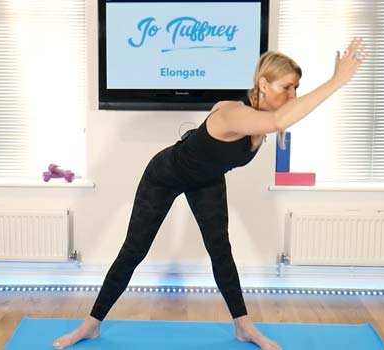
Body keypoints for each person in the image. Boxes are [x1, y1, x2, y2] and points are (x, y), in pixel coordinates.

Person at [53, 38, 365, 350]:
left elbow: (275, 120)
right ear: (263, 84)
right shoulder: (234, 113)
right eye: (287, 87)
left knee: (221, 251)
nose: (292, 95)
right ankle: (91, 325)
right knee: (134, 250)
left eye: (296, 88)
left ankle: (243, 327)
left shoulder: (255, 120)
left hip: (207, 179)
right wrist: (337, 80)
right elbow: (277, 120)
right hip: (164, 176)